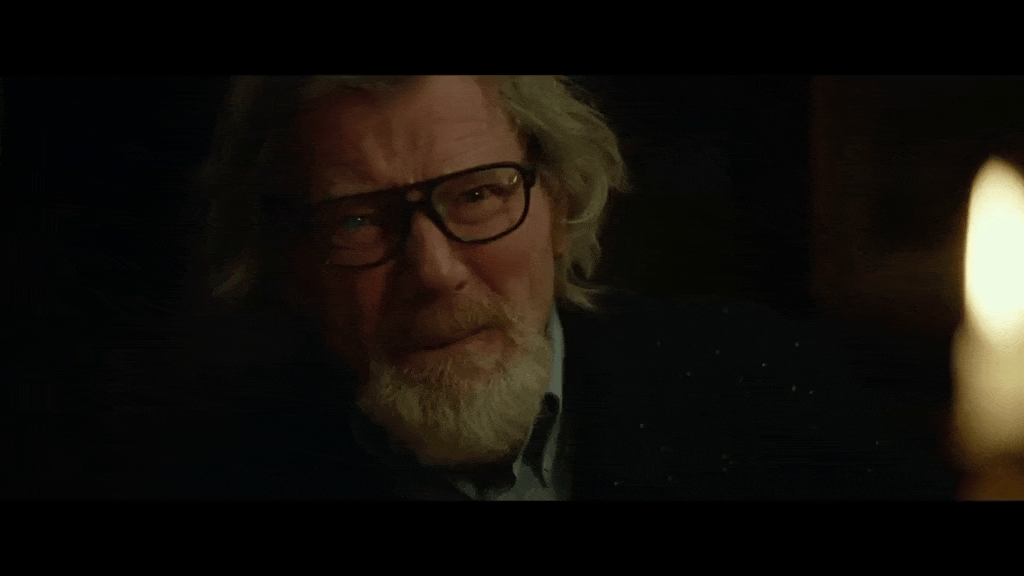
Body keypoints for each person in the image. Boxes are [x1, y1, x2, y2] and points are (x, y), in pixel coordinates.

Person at [65, 75, 964, 500]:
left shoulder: (767, 386)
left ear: (558, 202)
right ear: (290, 261)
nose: (435, 270)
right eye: (357, 220)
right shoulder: (201, 480)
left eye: (478, 194)